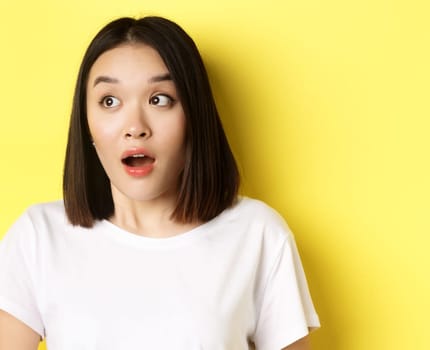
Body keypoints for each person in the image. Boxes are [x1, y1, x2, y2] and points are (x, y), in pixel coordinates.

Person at [0, 16, 319, 350]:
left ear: (194, 117)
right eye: (110, 101)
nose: (135, 127)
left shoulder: (257, 234)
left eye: (159, 99)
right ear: (87, 124)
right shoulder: (38, 236)